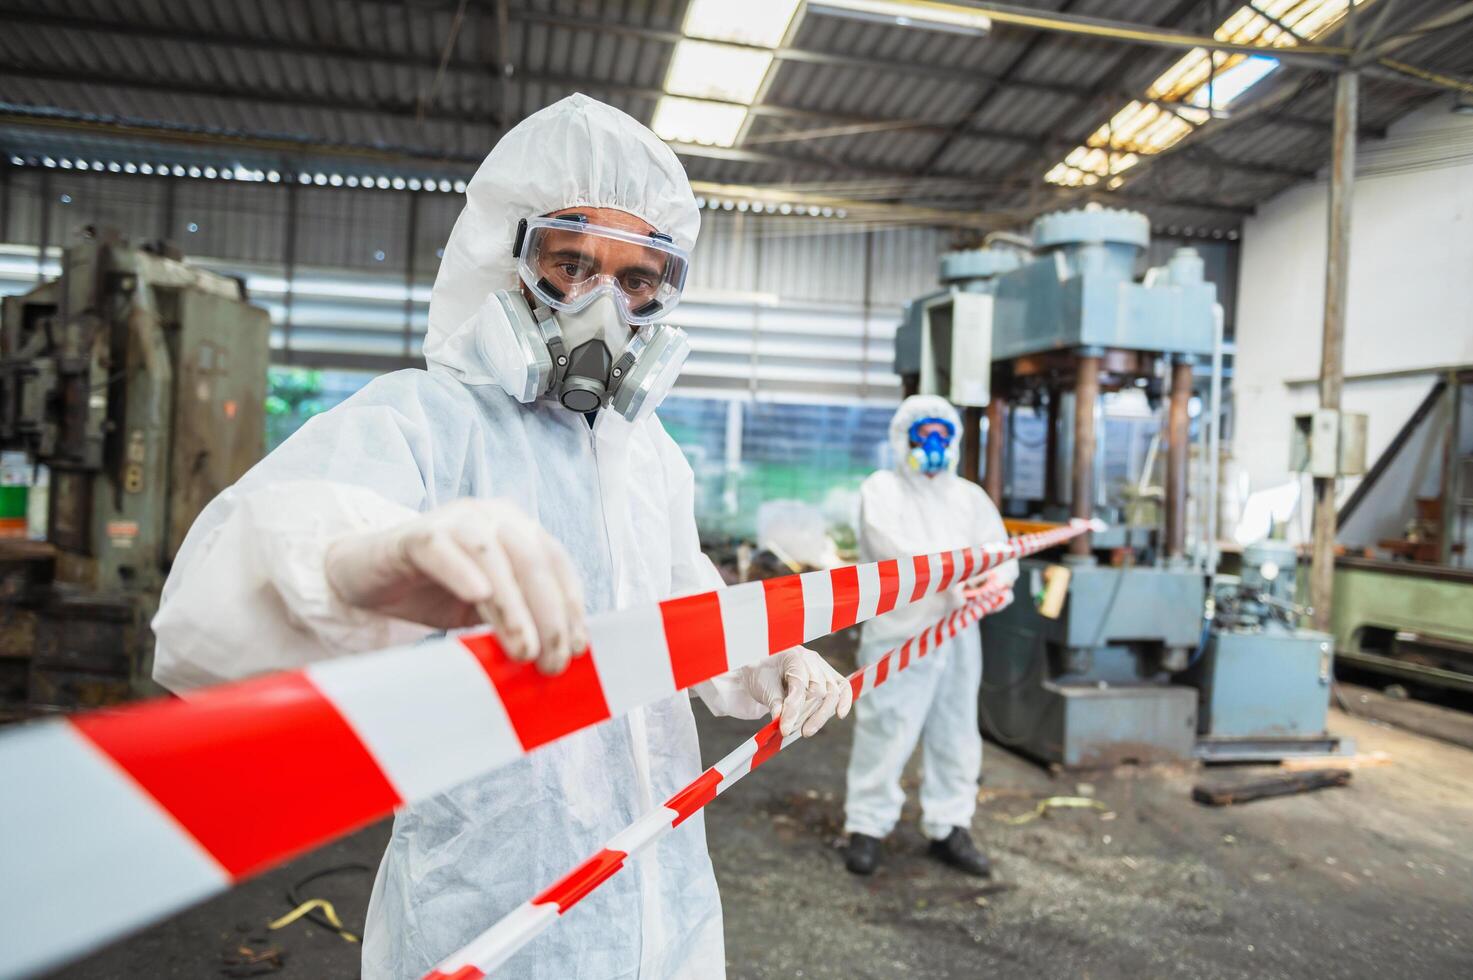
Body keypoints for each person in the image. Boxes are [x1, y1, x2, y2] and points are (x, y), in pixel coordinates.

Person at [151, 94, 852, 980]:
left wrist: (765, 656)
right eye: (571, 263)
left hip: (659, 906)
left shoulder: (649, 459)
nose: (601, 305)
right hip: (482, 910)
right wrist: (356, 566)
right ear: (509, 261)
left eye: (636, 279)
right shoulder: (427, 420)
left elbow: (679, 603)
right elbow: (209, 607)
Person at [842, 394, 1016, 877]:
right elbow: (894, 553)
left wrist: (997, 582)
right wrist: (953, 578)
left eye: (944, 435)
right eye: (925, 435)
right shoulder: (882, 491)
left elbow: (1000, 551)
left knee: (957, 730)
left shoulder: (969, 497)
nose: (934, 445)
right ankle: (866, 827)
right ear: (905, 439)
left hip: (959, 634)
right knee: (885, 728)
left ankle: (950, 825)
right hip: (901, 633)